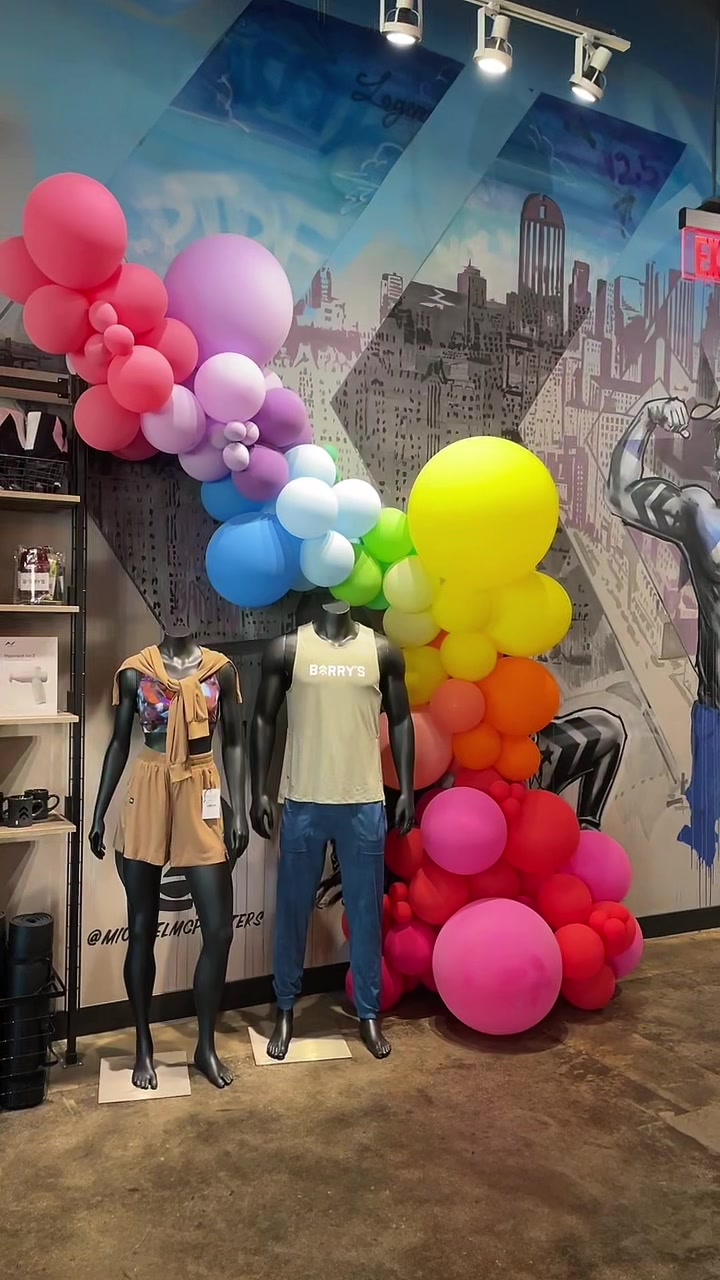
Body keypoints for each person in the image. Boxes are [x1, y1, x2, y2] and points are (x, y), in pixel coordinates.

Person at [607, 393, 720, 868]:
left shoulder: (702, 515)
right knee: (702, 847)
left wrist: (648, 418)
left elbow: (623, 492)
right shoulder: (702, 514)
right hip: (715, 716)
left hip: (714, 715)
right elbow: (622, 494)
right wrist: (647, 416)